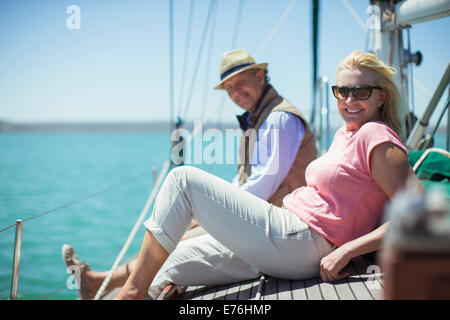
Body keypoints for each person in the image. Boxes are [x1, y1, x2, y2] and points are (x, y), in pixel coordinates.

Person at [112, 50, 424, 299]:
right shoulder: (348, 134)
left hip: (300, 238)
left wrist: (347, 250)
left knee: (182, 182)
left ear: (382, 96)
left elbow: (417, 215)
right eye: (342, 91)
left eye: (362, 91)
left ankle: (132, 292)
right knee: (169, 263)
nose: (350, 100)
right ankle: (136, 291)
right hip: (285, 240)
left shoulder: (375, 136)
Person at [62, 49, 317, 299]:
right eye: (229, 89)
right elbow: (249, 180)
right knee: (176, 232)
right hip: (264, 217)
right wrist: (211, 210)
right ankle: (98, 282)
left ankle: (107, 285)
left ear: (260, 77)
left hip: (280, 226)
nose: (236, 93)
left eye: (241, 83)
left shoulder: (280, 118)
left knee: (175, 238)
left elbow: (265, 183)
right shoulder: (263, 117)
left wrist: (217, 209)